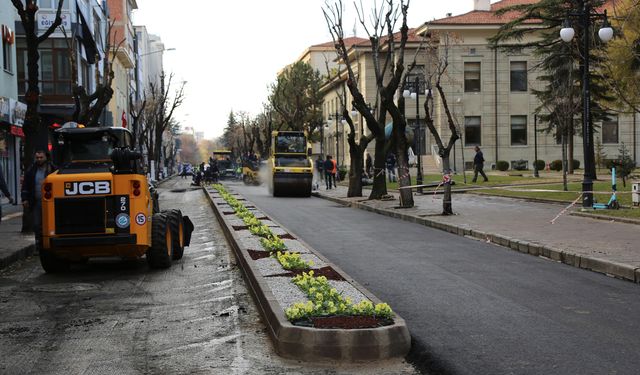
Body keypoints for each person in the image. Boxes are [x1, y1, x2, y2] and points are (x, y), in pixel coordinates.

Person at [21, 150, 56, 248]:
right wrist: (24, 199)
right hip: (36, 202)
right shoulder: (31, 171)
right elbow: (25, 186)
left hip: (50, 203)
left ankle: (50, 243)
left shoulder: (53, 169)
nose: (39, 159)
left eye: (41, 157)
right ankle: (39, 243)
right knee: (37, 224)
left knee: (50, 224)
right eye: (37, 158)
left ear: (46, 157)